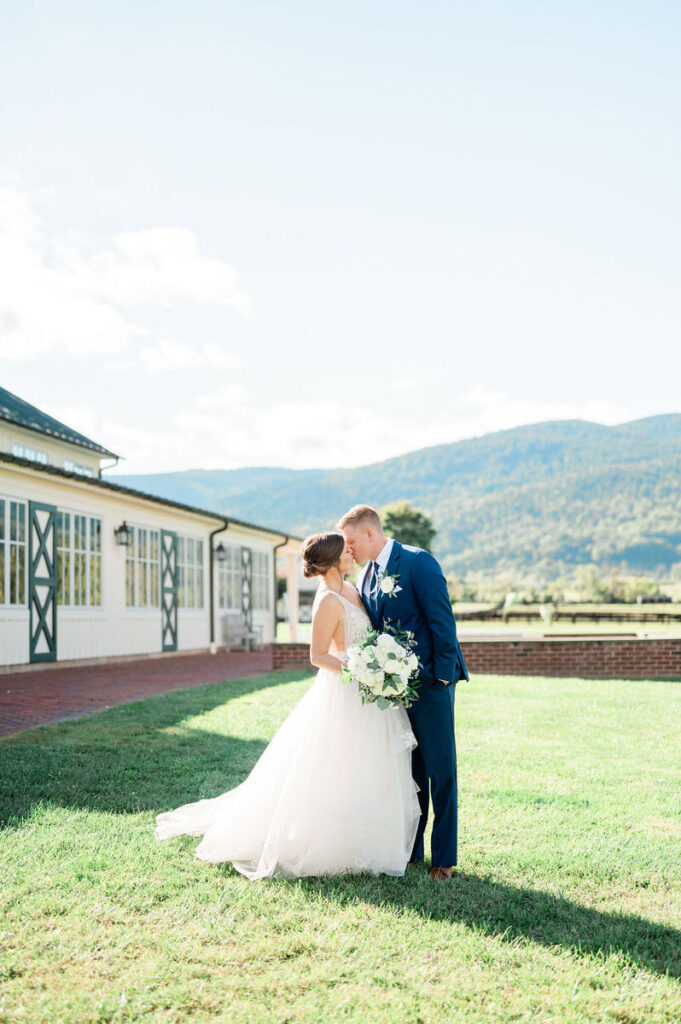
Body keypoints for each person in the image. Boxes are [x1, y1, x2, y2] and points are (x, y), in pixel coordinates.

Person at [155, 531, 420, 880]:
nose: (352, 553)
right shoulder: (327, 600)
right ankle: (332, 839)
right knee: (338, 767)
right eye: (345, 550)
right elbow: (318, 655)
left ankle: (371, 836)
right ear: (332, 559)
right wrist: (364, 672)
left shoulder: (353, 590)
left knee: (368, 763)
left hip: (367, 695)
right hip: (344, 691)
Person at [337, 505, 468, 881]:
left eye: (350, 542)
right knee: (409, 773)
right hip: (394, 691)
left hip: (431, 686)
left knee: (441, 771)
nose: (348, 550)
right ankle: (412, 849)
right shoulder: (365, 577)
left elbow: (442, 622)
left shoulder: (418, 562)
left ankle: (443, 858)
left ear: (370, 534)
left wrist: (442, 678)